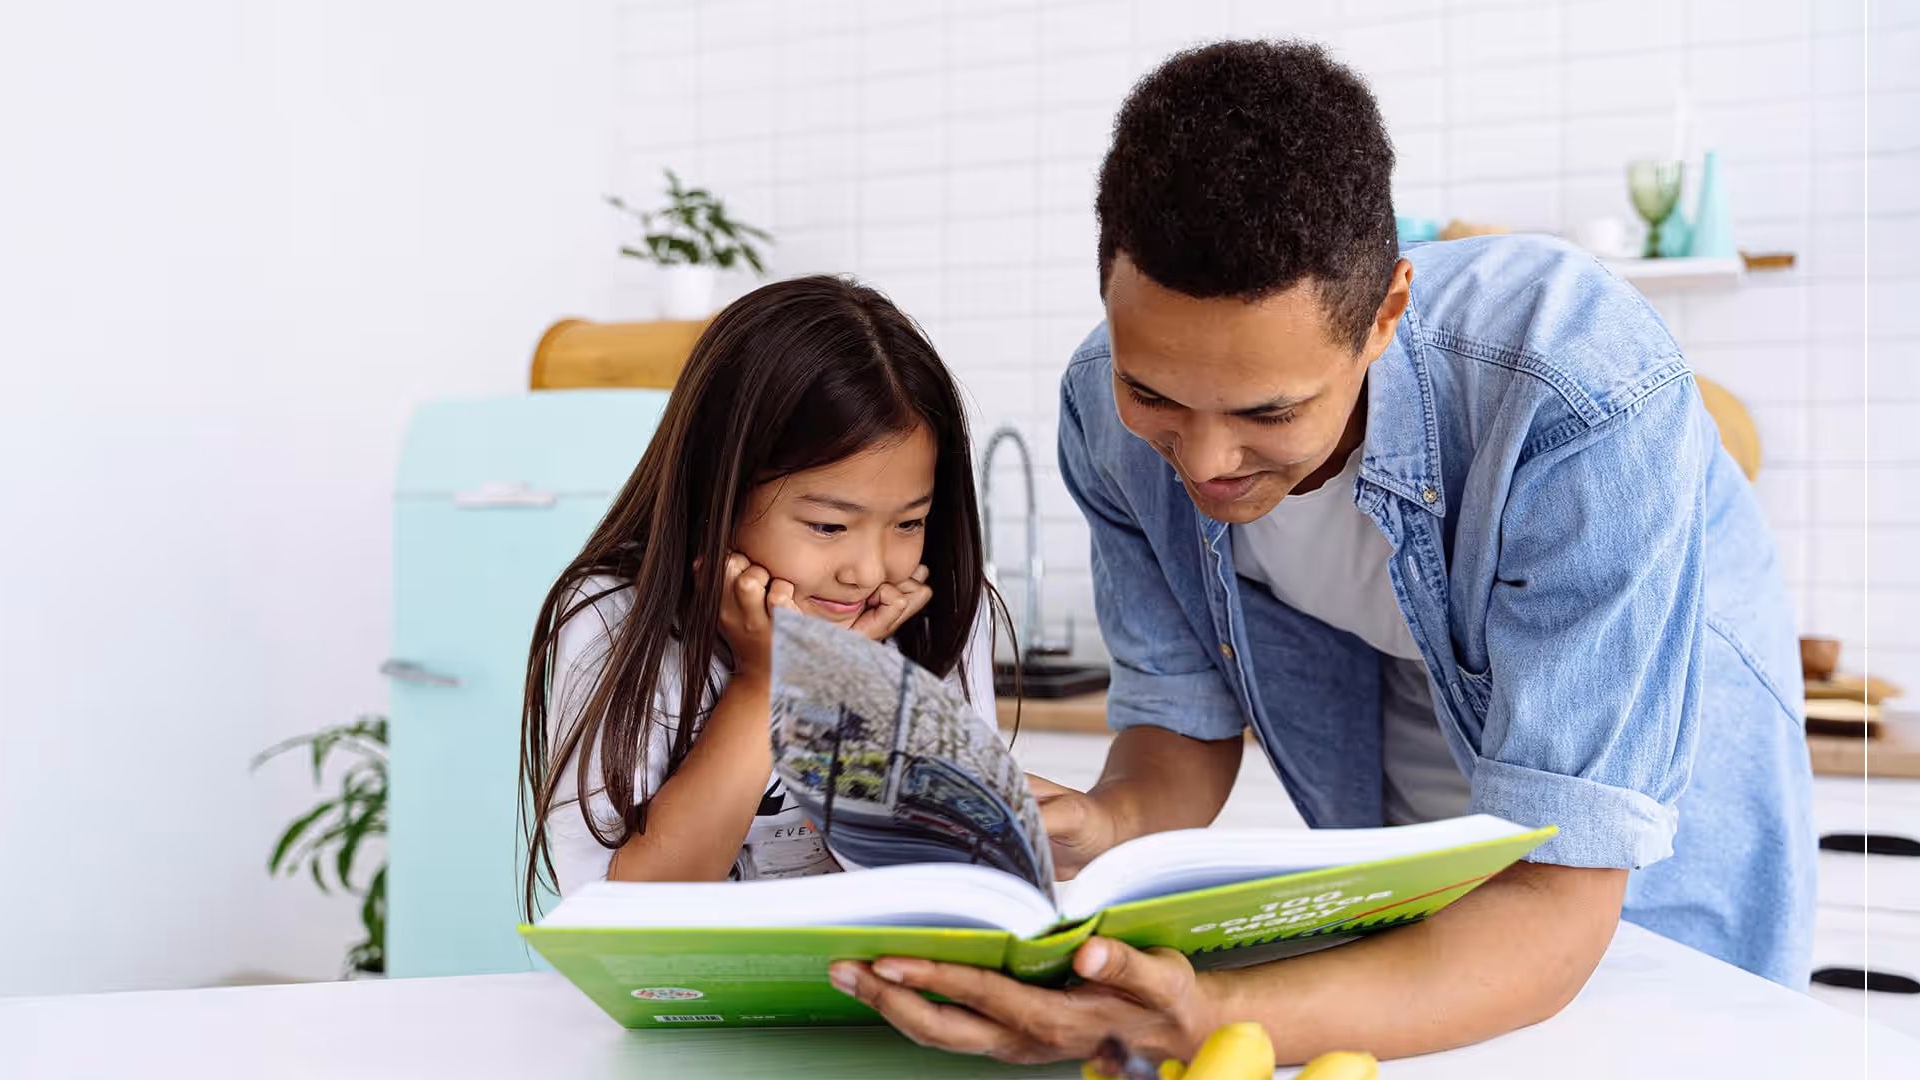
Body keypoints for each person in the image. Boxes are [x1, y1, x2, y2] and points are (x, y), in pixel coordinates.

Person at [827, 41, 1814, 1065]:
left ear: (1386, 313)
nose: (1203, 464)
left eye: (1270, 410)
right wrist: (1103, 822)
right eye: (1154, 394)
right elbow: (1177, 724)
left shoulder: (1577, 387)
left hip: (1630, 825)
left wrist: (1204, 1015)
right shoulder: (1097, 407)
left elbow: (1560, 906)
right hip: (1409, 838)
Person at [517, 275, 1001, 916]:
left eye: (908, 523)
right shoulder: (617, 618)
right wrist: (765, 682)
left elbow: (948, 883)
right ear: (720, 492)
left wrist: (850, 676)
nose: (868, 570)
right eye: (828, 526)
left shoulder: (943, 614)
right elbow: (629, 920)